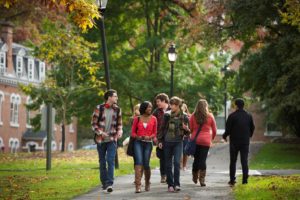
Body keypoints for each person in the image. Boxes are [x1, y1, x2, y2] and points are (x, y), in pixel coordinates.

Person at [91, 89, 123, 193]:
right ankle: (104, 183)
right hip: (100, 140)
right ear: (109, 97)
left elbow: (119, 124)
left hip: (112, 139)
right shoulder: (99, 108)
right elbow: (93, 124)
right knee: (102, 162)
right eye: (115, 96)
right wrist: (100, 133)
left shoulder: (117, 109)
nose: (117, 98)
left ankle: (109, 184)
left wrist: (120, 131)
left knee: (110, 160)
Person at [158, 96, 190, 192]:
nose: (172, 106)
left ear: (178, 105)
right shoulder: (167, 115)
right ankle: (170, 185)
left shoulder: (184, 116)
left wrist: (186, 129)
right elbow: (162, 129)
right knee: (168, 164)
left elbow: (188, 133)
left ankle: (177, 184)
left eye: (174, 105)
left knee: (176, 163)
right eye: (171, 104)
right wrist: (160, 141)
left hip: (178, 142)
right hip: (167, 142)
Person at [222, 98, 255, 186]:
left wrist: (224, 136)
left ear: (236, 105)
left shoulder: (232, 116)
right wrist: (249, 135)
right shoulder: (249, 115)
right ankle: (245, 180)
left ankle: (232, 180)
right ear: (243, 105)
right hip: (245, 142)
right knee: (244, 161)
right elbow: (252, 127)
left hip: (234, 142)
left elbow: (228, 129)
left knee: (233, 161)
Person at [131, 101, 157, 193]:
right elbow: (132, 133)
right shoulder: (137, 119)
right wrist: (139, 136)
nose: (150, 109)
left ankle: (147, 183)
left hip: (148, 143)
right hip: (138, 142)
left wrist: (150, 137)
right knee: (138, 162)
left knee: (146, 163)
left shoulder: (154, 119)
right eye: (148, 107)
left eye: (151, 107)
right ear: (144, 108)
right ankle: (138, 186)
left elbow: (155, 132)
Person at [190, 99, 217, 187]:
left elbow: (190, 129)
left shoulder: (193, 116)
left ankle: (194, 176)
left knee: (196, 159)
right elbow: (214, 130)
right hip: (206, 141)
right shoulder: (210, 116)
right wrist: (211, 139)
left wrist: (193, 134)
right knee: (203, 160)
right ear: (206, 106)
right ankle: (202, 179)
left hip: (196, 140)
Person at [152, 93, 170, 183]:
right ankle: (163, 175)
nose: (157, 104)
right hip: (160, 137)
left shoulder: (172, 109)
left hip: (171, 138)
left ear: (164, 101)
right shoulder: (156, 112)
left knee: (170, 157)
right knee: (162, 157)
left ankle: (169, 175)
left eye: (158, 102)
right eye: (156, 102)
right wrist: (155, 137)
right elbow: (153, 125)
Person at [181, 103, 191, 171]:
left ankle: (184, 166)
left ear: (185, 109)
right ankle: (178, 165)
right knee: (179, 152)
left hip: (186, 137)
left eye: (183, 108)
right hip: (178, 136)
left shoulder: (188, 117)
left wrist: (187, 128)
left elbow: (191, 129)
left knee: (185, 152)